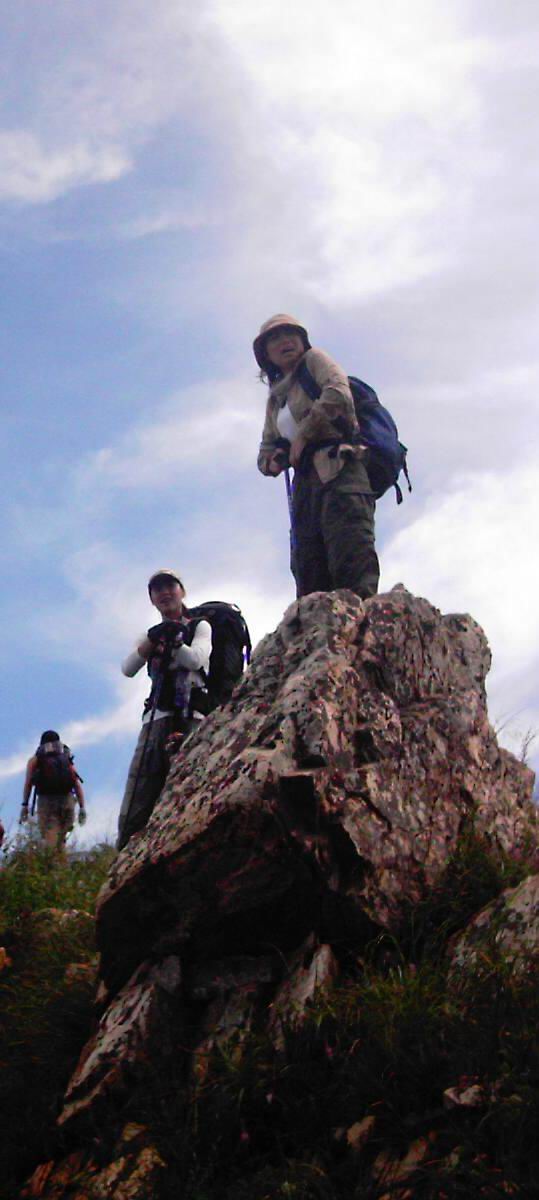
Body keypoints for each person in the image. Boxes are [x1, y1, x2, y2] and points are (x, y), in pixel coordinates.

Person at [254, 314, 380, 599]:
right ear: (266, 355)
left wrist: (304, 434)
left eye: (290, 334)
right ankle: (318, 624)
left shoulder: (315, 360)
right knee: (308, 568)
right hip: (305, 485)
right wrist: (273, 460)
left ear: (302, 340)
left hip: (340, 469)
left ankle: (357, 622)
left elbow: (338, 393)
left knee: (349, 554)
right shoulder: (276, 398)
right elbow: (265, 449)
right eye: (274, 339)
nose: (285, 341)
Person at [117, 569, 212, 851]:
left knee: (188, 788)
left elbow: (196, 660)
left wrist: (175, 642)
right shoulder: (150, 636)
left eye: (170, 586)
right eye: (157, 590)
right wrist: (154, 639)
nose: (165, 593)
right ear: (152, 599)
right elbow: (128, 668)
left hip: (192, 717)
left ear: (182, 591)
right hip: (156, 719)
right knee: (140, 794)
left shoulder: (201, 626)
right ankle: (126, 854)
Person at [20, 731, 86, 849]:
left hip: (47, 802)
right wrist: (82, 807)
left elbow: (28, 784)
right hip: (67, 801)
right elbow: (76, 783)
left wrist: (25, 805)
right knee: (61, 840)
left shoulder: (36, 760)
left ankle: (53, 859)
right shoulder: (65, 758)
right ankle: (60, 858)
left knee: (50, 841)